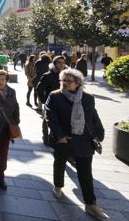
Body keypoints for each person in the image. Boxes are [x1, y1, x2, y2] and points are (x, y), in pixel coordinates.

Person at [45, 69, 108, 220]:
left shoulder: (88, 98)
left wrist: (99, 133)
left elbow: (93, 117)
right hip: (64, 139)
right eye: (63, 81)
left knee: (85, 173)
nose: (65, 83)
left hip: (83, 140)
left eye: (69, 81)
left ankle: (91, 204)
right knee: (59, 164)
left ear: (78, 83)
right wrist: (59, 135)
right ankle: (58, 186)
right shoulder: (55, 96)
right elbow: (50, 116)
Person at [36, 56, 67, 145]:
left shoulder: (66, 76)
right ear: (54, 64)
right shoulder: (48, 75)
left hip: (62, 104)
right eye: (59, 62)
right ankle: (46, 138)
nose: (61, 64)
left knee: (58, 122)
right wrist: (44, 100)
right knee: (46, 121)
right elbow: (39, 89)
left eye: (63, 62)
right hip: (50, 103)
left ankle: (53, 137)